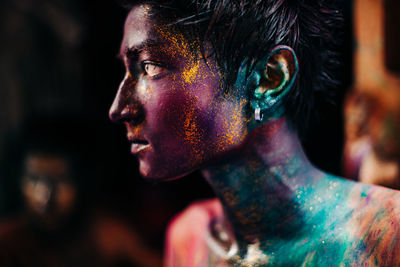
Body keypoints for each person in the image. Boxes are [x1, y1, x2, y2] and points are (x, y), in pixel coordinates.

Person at [109, 1, 400, 266]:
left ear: (268, 78)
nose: (118, 109)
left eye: (150, 66)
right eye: (127, 71)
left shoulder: (385, 234)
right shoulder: (189, 238)